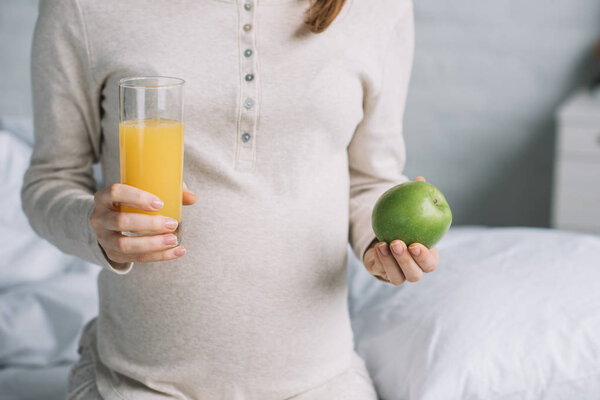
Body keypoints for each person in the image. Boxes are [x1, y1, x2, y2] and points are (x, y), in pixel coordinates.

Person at [22, 0, 439, 398]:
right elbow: (51, 178)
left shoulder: (379, 8)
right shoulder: (83, 7)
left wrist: (382, 245)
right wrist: (94, 227)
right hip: (137, 382)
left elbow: (371, 180)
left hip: (320, 381)